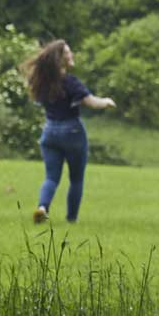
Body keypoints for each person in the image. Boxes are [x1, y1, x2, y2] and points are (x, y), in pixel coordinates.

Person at [21, 40, 117, 225]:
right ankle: (71, 219)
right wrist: (106, 102)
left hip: (49, 132)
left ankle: (42, 207)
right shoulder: (70, 82)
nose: (72, 55)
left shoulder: (43, 83)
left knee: (51, 177)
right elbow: (91, 102)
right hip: (72, 132)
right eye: (68, 52)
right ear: (60, 59)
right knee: (76, 179)